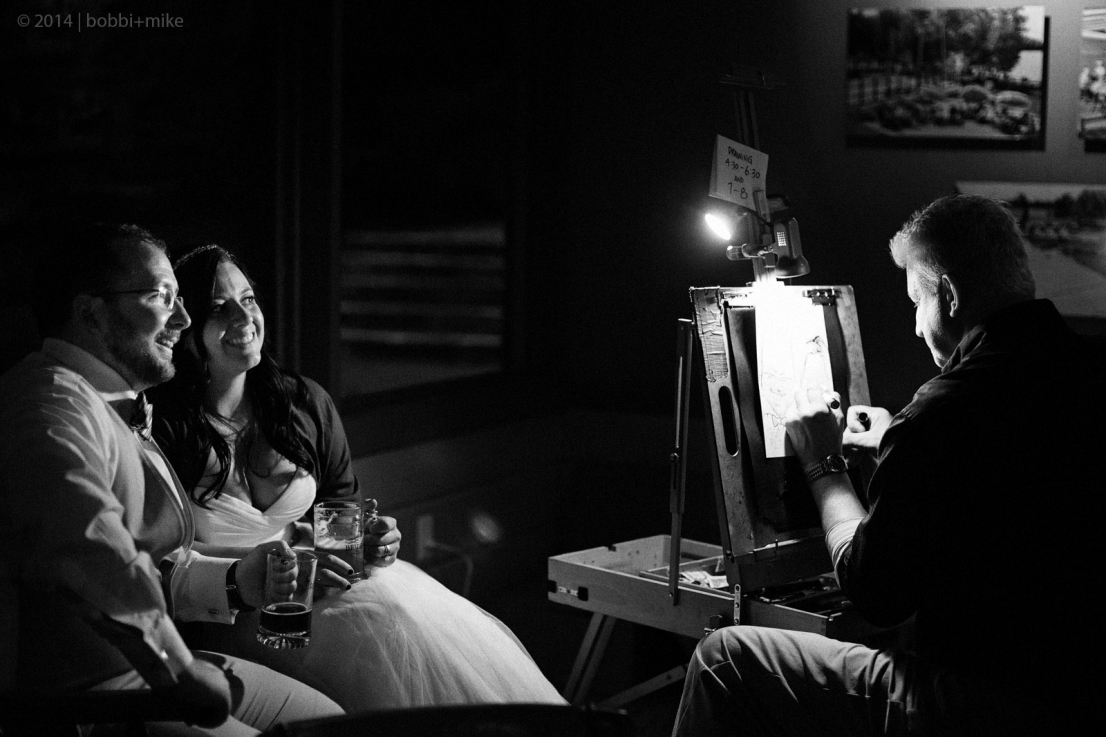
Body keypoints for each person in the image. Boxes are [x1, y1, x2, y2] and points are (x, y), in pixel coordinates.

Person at [671, 195, 1102, 736]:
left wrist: (824, 462)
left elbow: (874, 591)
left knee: (725, 658)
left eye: (917, 302)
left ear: (948, 295)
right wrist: (896, 444)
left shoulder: (943, 411)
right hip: (1084, 695)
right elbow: (1005, 481)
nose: (917, 328)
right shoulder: (1088, 369)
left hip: (977, 705)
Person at [149, 244, 566, 711]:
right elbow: (161, 555)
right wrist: (262, 575)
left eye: (248, 300)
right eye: (218, 308)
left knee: (401, 617)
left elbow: (340, 511)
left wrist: (370, 543)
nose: (244, 317)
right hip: (234, 613)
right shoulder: (164, 427)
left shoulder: (303, 403)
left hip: (318, 589)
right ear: (185, 325)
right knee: (373, 638)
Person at [0, 224, 344, 736]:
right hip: (84, 701)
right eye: (162, 297)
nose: (183, 319)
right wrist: (180, 669)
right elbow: (89, 549)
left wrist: (235, 580)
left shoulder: (117, 399)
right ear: (91, 313)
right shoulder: (50, 406)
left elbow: (153, 559)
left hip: (148, 673)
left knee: (334, 723)